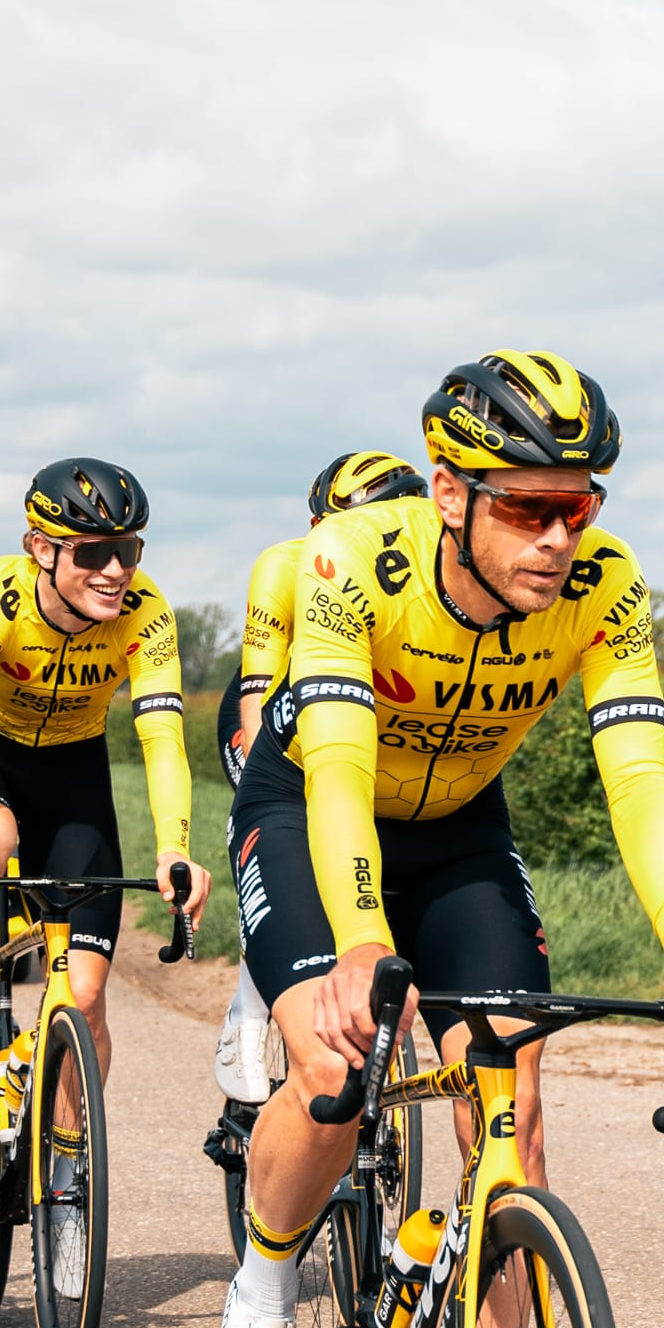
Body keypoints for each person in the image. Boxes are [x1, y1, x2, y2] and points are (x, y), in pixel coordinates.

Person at [206, 351, 664, 1328]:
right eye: (531, 507)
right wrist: (360, 941)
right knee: (327, 1064)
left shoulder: (605, 586)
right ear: (449, 493)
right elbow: (344, 769)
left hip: (459, 829)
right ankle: (260, 1297)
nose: (561, 538)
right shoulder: (351, 561)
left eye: (583, 505)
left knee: (515, 1121)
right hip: (310, 802)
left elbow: (640, 778)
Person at [0, 458, 211, 1298]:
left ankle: (69, 1186)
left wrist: (174, 847)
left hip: (76, 769)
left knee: (82, 997)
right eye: (93, 552)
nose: (117, 569)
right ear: (40, 549)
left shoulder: (146, 613)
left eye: (129, 547)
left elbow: (161, 735)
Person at [211, 448, 427, 1102]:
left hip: (368, 715)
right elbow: (256, 687)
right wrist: (261, 781)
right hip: (275, 715)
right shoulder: (282, 568)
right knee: (289, 835)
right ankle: (255, 997)